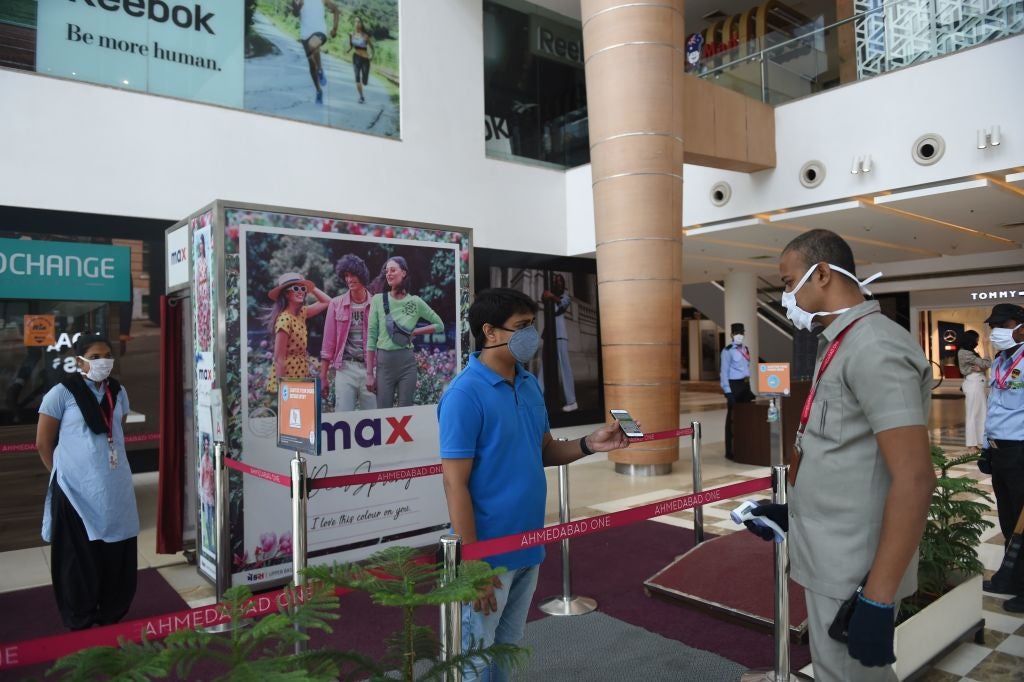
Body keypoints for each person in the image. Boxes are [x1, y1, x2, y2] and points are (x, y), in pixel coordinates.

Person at [745, 229, 935, 680]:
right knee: (834, 671)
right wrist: (794, 513)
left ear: (823, 274)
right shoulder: (840, 342)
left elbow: (914, 479)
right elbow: (844, 451)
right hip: (830, 550)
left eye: (790, 283)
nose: (786, 296)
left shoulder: (874, 346)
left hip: (855, 566)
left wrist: (878, 596)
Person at [438, 288, 631, 681]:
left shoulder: (528, 383)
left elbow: (542, 449)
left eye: (533, 325)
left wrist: (589, 444)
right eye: (522, 327)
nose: (532, 336)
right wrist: (473, 564)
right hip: (488, 552)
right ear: (489, 332)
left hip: (529, 543)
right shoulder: (463, 395)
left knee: (507, 649)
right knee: (474, 656)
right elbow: (453, 484)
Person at [35, 333, 139, 630]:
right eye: (94, 357)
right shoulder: (62, 393)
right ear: (79, 360)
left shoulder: (118, 391)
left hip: (113, 485)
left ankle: (111, 611)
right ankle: (80, 616)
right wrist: (63, 474)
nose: (102, 361)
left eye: (107, 355)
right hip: (74, 489)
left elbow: (118, 430)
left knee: (115, 550)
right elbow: (44, 442)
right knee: (77, 558)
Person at [980, 303, 1024, 611]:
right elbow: (994, 404)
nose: (996, 331)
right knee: (1009, 519)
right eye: (993, 325)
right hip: (1000, 450)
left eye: (1003, 324)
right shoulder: (1000, 360)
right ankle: (1010, 578)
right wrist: (985, 445)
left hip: (1021, 450)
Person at [366, 256, 444, 408]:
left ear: (404, 273)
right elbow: (371, 338)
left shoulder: (415, 302)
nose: (388, 273)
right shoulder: (377, 300)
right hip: (384, 365)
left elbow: (439, 325)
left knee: (405, 413)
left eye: (393, 270)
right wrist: (369, 374)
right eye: (387, 271)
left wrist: (415, 332)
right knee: (383, 411)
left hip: (407, 364)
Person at [319, 254, 375, 412]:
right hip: (345, 369)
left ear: (362, 275)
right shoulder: (335, 304)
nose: (349, 279)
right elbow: (328, 343)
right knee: (342, 418)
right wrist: (323, 377)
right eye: (346, 276)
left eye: (353, 275)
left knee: (374, 419)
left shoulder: (376, 304)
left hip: (371, 368)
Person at [263, 272, 330, 394]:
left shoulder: (301, 314)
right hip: (288, 376)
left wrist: (311, 287)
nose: (301, 291)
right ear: (286, 293)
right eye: (295, 288)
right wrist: (283, 390)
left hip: (301, 373)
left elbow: (327, 302)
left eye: (303, 289)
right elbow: (279, 359)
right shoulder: (284, 319)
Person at [541, 273, 577, 412]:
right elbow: (544, 298)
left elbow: (563, 303)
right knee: (544, 367)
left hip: (560, 336)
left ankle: (572, 401)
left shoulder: (565, 295)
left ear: (563, 283)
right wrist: (547, 296)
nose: (557, 283)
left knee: (565, 367)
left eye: (559, 281)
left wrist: (551, 296)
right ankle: (537, 398)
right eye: (555, 281)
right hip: (549, 335)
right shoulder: (551, 297)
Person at [293, 0, 341, 105]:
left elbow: (336, 9)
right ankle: (318, 91)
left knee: (313, 44)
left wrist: (335, 29)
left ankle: (320, 69)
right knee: (311, 65)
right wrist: (298, 6)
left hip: (320, 31)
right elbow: (295, 14)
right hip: (304, 35)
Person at [720, 322, 754, 460]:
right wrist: (728, 392)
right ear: (732, 334)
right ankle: (730, 451)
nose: (739, 335)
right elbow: (724, 372)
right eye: (736, 333)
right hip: (733, 386)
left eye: (741, 333)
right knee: (732, 420)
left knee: (746, 418)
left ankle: (745, 448)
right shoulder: (727, 351)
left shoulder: (746, 349)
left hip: (745, 384)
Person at [957, 330, 990, 455]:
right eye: (976, 340)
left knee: (981, 414)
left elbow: (983, 366)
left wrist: (981, 367)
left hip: (978, 383)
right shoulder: (965, 353)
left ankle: (980, 442)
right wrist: (986, 347)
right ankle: (971, 445)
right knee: (973, 414)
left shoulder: (969, 353)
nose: (977, 342)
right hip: (973, 384)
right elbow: (987, 363)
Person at [346, 16, 375, 104]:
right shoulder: (351, 34)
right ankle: (361, 97)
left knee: (365, 81)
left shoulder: (365, 36)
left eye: (359, 22)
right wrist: (349, 49)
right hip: (356, 57)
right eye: (355, 22)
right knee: (357, 77)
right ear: (354, 23)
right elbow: (351, 45)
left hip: (365, 59)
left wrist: (371, 56)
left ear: (361, 24)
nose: (357, 23)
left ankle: (365, 81)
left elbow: (372, 48)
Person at [196, 234, 212, 352]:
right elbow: (197, 278)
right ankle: (203, 342)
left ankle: (208, 341)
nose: (201, 246)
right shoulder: (198, 261)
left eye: (203, 244)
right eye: (200, 244)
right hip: (200, 291)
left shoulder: (208, 260)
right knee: (201, 316)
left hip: (207, 290)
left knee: (207, 316)